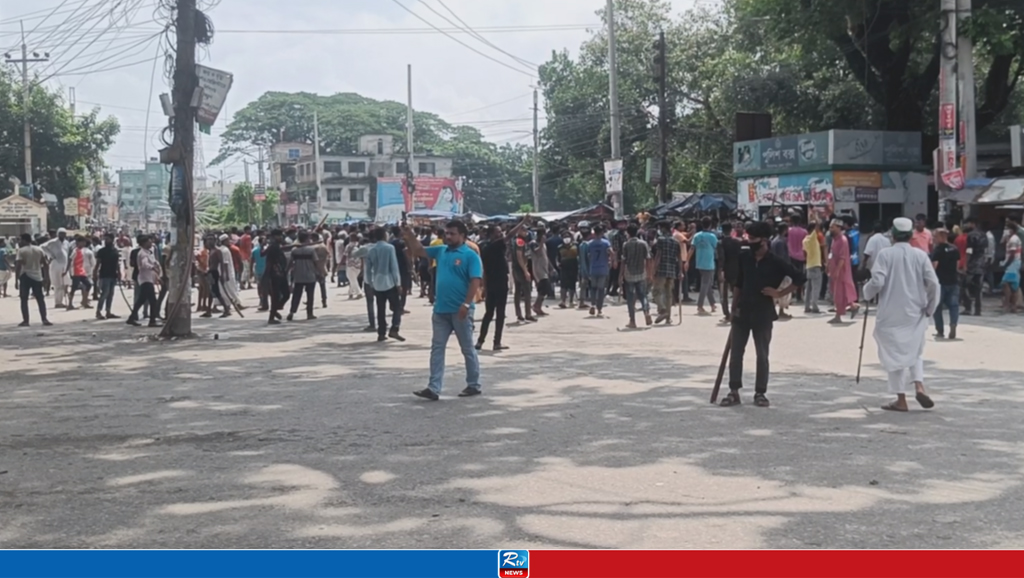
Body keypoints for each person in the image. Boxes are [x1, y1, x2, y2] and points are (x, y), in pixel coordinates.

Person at [719, 221, 805, 408]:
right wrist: (733, 310)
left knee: (762, 354)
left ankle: (760, 392)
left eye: (753, 239)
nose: (749, 242)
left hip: (763, 313)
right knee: (736, 354)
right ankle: (734, 391)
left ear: (764, 240)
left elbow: (800, 277)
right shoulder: (745, 257)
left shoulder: (776, 262)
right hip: (742, 312)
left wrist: (780, 293)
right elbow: (739, 284)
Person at [863, 217, 940, 412]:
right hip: (915, 312)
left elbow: (877, 282)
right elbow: (934, 284)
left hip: (890, 313)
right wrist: (930, 308)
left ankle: (901, 399)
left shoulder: (885, 255)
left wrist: (866, 292)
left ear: (893, 235)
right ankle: (919, 385)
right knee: (915, 351)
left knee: (893, 354)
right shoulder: (921, 256)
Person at [403, 221, 483, 401]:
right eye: (446, 233)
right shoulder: (441, 251)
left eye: (452, 234)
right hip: (441, 310)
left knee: (467, 348)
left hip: (460, 310)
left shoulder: (470, 256)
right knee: (437, 348)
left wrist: (466, 304)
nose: (448, 237)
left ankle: (473, 384)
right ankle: (433, 387)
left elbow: (475, 281)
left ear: (462, 235)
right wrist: (409, 235)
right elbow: (418, 251)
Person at [477, 224, 514, 351]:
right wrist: (523, 222)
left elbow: (485, 270)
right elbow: (509, 236)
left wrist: (485, 287)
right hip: (499, 284)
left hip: (491, 284)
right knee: (499, 314)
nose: (501, 234)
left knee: (489, 314)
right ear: (492, 234)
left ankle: (480, 341)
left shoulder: (484, 246)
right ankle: (496, 342)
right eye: (498, 232)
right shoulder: (495, 245)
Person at [364, 227, 404, 341]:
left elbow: (368, 269)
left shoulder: (371, 249)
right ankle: (394, 328)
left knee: (380, 309)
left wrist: (370, 283)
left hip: (376, 282)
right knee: (397, 307)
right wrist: (398, 283)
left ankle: (381, 333)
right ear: (384, 235)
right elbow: (394, 267)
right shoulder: (389, 248)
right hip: (389, 281)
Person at [619, 224, 653, 328]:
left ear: (628, 233)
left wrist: (620, 275)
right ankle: (646, 311)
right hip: (641, 272)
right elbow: (648, 258)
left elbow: (623, 261)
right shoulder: (643, 243)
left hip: (629, 273)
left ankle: (632, 321)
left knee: (630, 298)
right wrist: (649, 273)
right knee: (643, 295)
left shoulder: (626, 244)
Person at [930, 228, 961, 340]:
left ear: (941, 237)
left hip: (940, 282)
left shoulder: (938, 250)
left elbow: (934, 266)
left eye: (935, 237)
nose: (933, 239)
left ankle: (940, 330)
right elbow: (957, 265)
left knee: (937, 307)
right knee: (954, 306)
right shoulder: (954, 249)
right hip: (953, 281)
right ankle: (953, 325)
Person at [827, 219, 860, 323]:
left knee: (840, 293)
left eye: (832, 227)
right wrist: (828, 265)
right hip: (834, 270)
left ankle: (838, 315)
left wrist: (837, 270)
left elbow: (842, 258)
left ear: (839, 228)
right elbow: (832, 254)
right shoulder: (834, 240)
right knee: (839, 293)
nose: (830, 229)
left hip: (841, 271)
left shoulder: (843, 240)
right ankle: (853, 306)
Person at [15, 233, 50, 327]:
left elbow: (18, 265)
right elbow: (45, 264)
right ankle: (44, 319)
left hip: (25, 275)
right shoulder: (39, 249)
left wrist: (16, 279)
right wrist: (46, 277)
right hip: (37, 276)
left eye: (20, 240)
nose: (19, 242)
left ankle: (26, 320)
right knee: (40, 299)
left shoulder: (21, 251)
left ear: (24, 240)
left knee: (24, 299)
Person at [127, 235, 162, 328]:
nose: (151, 243)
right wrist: (153, 267)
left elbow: (153, 261)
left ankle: (132, 317)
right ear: (144, 243)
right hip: (145, 279)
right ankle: (152, 320)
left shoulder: (149, 252)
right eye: (149, 242)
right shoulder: (142, 253)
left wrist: (156, 265)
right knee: (152, 301)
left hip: (148, 278)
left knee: (141, 300)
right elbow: (144, 264)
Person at [287, 231, 319, 322]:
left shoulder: (294, 250)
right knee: (310, 295)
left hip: (298, 276)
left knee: (296, 295)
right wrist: (319, 272)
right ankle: (309, 313)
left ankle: (292, 312)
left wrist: (286, 272)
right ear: (306, 239)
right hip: (310, 275)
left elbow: (290, 263)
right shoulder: (311, 250)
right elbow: (316, 262)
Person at [960, 218, 988, 317]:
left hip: (972, 264)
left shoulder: (971, 235)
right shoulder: (984, 234)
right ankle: (978, 309)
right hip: (981, 264)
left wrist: (965, 264)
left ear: (973, 223)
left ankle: (968, 307)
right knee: (978, 288)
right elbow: (985, 250)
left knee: (964, 285)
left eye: (967, 223)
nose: (966, 225)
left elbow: (969, 250)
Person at [691, 217, 719, 315]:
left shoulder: (697, 236)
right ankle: (700, 305)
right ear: (710, 225)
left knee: (707, 284)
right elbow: (717, 248)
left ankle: (712, 304)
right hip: (709, 263)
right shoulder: (712, 236)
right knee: (705, 284)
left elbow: (692, 249)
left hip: (699, 262)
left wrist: (686, 261)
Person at [263, 229, 289, 324]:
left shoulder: (276, 246)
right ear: (274, 237)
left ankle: (275, 309)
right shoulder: (273, 247)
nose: (281, 237)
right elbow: (267, 259)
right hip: (274, 274)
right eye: (279, 236)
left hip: (281, 273)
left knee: (286, 294)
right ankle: (271, 317)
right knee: (275, 296)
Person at [93, 233, 121, 320]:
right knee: (104, 293)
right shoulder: (101, 251)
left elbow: (117, 263)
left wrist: (119, 272)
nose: (106, 241)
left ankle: (108, 311)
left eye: (107, 239)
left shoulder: (115, 251)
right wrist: (95, 273)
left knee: (111, 294)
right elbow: (98, 263)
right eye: (105, 239)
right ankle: (98, 311)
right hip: (104, 275)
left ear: (112, 240)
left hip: (113, 275)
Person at [41, 228, 71, 308]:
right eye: (61, 233)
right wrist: (51, 255)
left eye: (64, 233)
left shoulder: (66, 243)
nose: (63, 235)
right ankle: (57, 302)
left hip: (64, 264)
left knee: (64, 284)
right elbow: (42, 247)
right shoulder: (53, 242)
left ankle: (60, 301)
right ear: (58, 234)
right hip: (56, 264)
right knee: (57, 284)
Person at [587, 224, 612, 317]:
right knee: (601, 289)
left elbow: (588, 256)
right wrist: (611, 261)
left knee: (593, 288)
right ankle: (599, 309)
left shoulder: (590, 243)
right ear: (602, 233)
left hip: (593, 268)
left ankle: (592, 304)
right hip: (603, 268)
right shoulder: (606, 243)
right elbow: (611, 252)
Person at [511, 227, 535, 322]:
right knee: (527, 291)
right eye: (523, 230)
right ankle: (527, 314)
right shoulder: (520, 241)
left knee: (517, 291)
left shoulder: (515, 241)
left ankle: (519, 313)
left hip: (516, 268)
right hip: (520, 269)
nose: (526, 232)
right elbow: (519, 256)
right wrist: (525, 271)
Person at [65, 237, 95, 310]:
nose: (84, 243)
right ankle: (70, 304)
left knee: (88, 284)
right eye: (82, 242)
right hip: (76, 272)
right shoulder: (75, 251)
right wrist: (66, 270)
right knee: (74, 288)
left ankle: (84, 301)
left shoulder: (83, 250)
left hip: (81, 271)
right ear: (78, 243)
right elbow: (70, 259)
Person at [801, 222, 824, 314]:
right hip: (815, 265)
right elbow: (817, 227)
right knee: (816, 287)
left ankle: (807, 307)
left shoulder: (804, 240)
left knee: (808, 288)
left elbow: (804, 253)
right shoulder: (812, 238)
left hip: (809, 265)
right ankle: (815, 306)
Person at [1000, 223, 1022, 313]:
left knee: (1006, 283)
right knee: (1014, 286)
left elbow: (1012, 254)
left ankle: (1008, 304)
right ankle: (1013, 306)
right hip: (1016, 263)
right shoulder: (1014, 239)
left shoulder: (1013, 239)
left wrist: (1006, 264)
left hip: (1012, 264)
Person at [530, 228, 551, 318]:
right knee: (544, 287)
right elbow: (537, 252)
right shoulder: (533, 243)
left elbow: (545, 256)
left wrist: (551, 267)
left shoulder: (544, 245)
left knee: (544, 289)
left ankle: (538, 306)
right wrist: (541, 243)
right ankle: (536, 305)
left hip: (544, 268)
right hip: (538, 269)